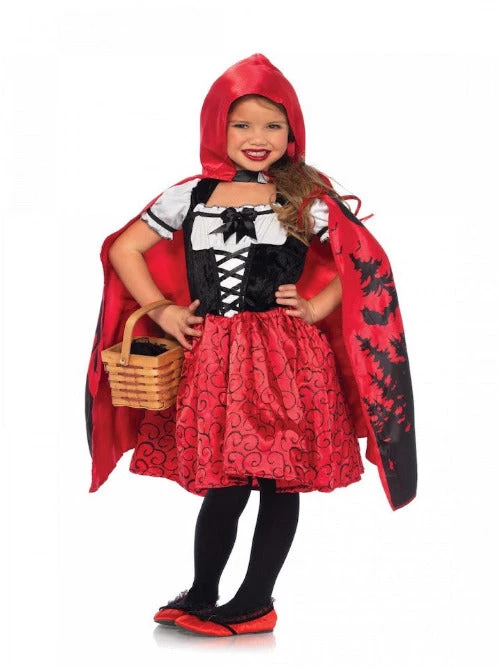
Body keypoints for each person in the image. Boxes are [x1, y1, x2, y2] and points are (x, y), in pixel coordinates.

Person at [85, 54, 417, 637]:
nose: (257, 137)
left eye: (272, 125)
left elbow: (365, 258)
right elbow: (123, 249)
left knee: (276, 476)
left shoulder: (304, 195)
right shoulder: (189, 196)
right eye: (241, 124)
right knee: (225, 479)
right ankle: (204, 591)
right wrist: (161, 309)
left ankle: (256, 599)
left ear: (293, 132)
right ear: (217, 127)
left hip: (286, 359)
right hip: (215, 358)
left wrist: (316, 307)